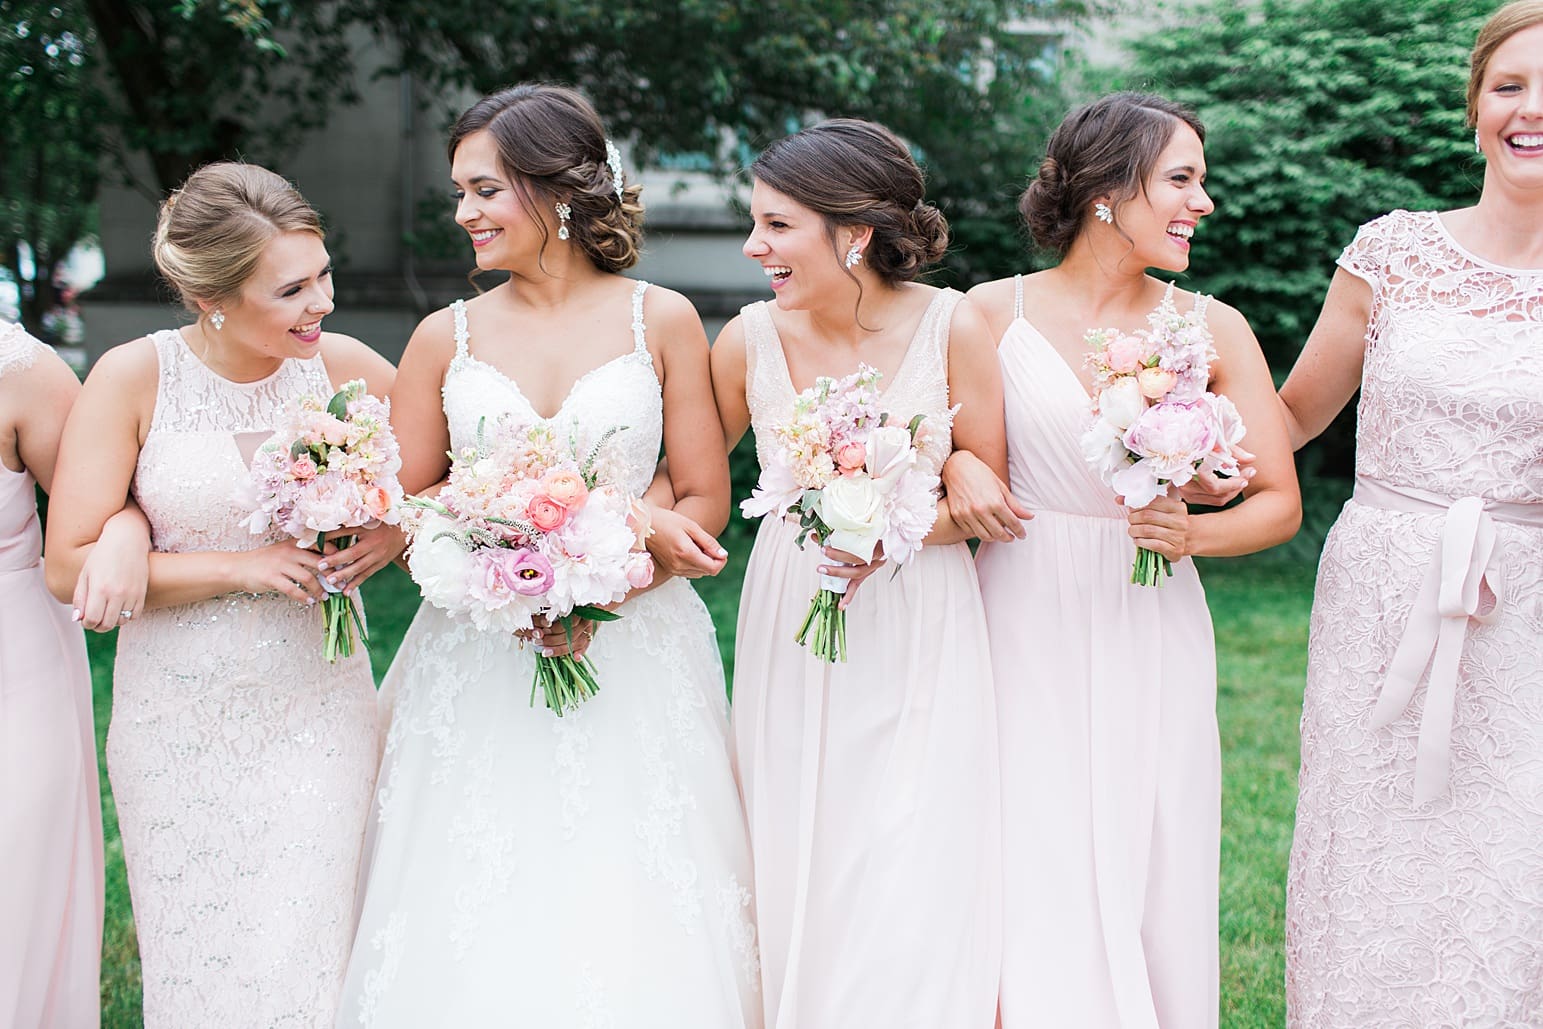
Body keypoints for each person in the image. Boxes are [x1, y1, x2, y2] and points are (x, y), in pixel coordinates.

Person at [336, 84, 760, 1027]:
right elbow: (406, 511)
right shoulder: (441, 337)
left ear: (555, 189)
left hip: (635, 651)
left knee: (630, 880)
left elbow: (700, 505)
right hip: (478, 655)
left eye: (483, 190)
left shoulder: (664, 319)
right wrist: (497, 579)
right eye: (459, 193)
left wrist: (599, 586)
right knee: (478, 880)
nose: (463, 214)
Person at [946, 92, 1300, 1027]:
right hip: (1018, 603)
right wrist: (954, 460)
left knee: (1152, 831)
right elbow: (949, 444)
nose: (1204, 202)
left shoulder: (1211, 327)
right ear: (1106, 190)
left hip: (1149, 608)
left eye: (1201, 181)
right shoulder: (987, 312)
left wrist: (1192, 533)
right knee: (1026, 830)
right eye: (1182, 180)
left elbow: (1278, 506)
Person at [44, 162, 396, 1026]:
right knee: (198, 947)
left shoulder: (343, 369)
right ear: (217, 299)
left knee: (314, 938)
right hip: (178, 712)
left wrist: (393, 532)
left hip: (319, 697)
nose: (323, 302)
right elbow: (69, 564)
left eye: (322, 274)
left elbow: (445, 482)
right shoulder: (134, 378)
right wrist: (236, 566)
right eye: (292, 290)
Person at [1280, 3, 1543, 1023]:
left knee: (1509, 850)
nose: (1530, 111)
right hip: (1382, 585)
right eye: (1510, 86)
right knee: (1373, 833)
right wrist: (1164, 434)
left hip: (1524, 604)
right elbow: (1295, 413)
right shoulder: (1391, 252)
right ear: (1475, 105)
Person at [711, 118, 1005, 1028]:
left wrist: (918, 508)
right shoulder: (746, 339)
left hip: (918, 607)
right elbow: (682, 475)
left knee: (910, 831)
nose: (755, 246)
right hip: (794, 604)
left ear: (854, 233)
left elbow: (991, 505)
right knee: (802, 822)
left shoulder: (955, 324)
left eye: (777, 226)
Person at [0, 322, 120, 1028]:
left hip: (13, 661)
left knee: (16, 874)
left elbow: (111, 501)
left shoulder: (19, 368)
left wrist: (127, 533)